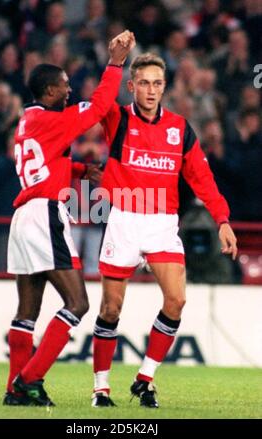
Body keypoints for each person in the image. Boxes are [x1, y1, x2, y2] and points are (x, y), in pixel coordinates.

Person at [91, 53, 237, 408]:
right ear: (132, 86)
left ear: (165, 87)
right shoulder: (117, 118)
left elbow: (202, 178)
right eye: (143, 83)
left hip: (162, 222)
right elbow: (98, 103)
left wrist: (222, 220)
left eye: (157, 83)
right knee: (111, 308)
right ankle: (101, 388)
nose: (151, 90)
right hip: (124, 219)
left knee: (177, 300)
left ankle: (145, 379)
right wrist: (114, 61)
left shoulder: (180, 128)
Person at [4, 30, 136, 406]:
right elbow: (97, 109)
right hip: (45, 213)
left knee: (26, 313)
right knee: (77, 304)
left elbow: (43, 162)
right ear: (48, 92)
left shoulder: (29, 121)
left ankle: (15, 390)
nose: (69, 92)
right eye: (64, 87)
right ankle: (27, 380)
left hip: (23, 217)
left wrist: (77, 171)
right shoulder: (52, 120)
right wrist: (115, 64)